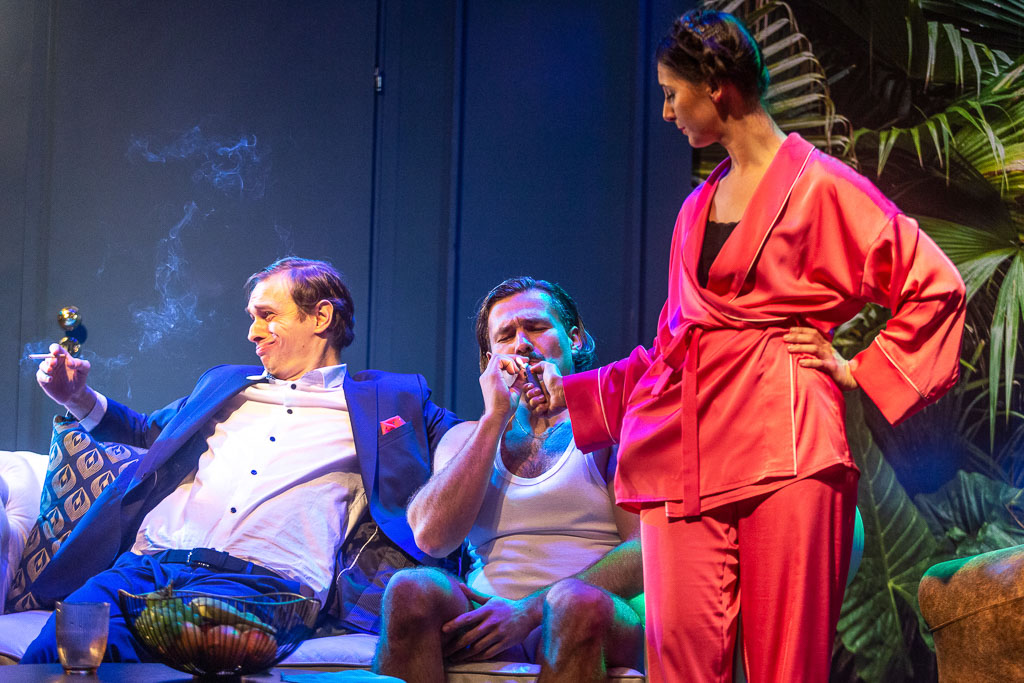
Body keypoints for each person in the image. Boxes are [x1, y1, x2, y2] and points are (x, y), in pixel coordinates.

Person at [520, 10, 967, 683]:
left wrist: (858, 368)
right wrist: (575, 392)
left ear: (715, 86)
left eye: (672, 94)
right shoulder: (693, 209)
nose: (667, 112)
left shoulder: (824, 187)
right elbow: (674, 348)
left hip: (786, 444)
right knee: (680, 659)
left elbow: (935, 284)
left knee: (785, 664)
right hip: (688, 454)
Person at [20, 256, 459, 663]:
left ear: (321, 317)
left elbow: (466, 443)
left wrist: (498, 412)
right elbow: (147, 433)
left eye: (267, 315)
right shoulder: (225, 384)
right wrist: (76, 396)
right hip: (142, 570)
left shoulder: (387, 400)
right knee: (54, 655)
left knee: (181, 658)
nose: (252, 332)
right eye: (252, 317)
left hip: (259, 586)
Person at [372, 277, 644, 683]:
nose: (522, 344)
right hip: (489, 612)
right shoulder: (465, 438)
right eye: (506, 336)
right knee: (410, 589)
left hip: (593, 609)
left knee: (571, 604)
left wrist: (528, 612)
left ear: (575, 339)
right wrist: (494, 418)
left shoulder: (612, 428)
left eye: (536, 327)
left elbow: (643, 550)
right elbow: (431, 538)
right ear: (489, 360)